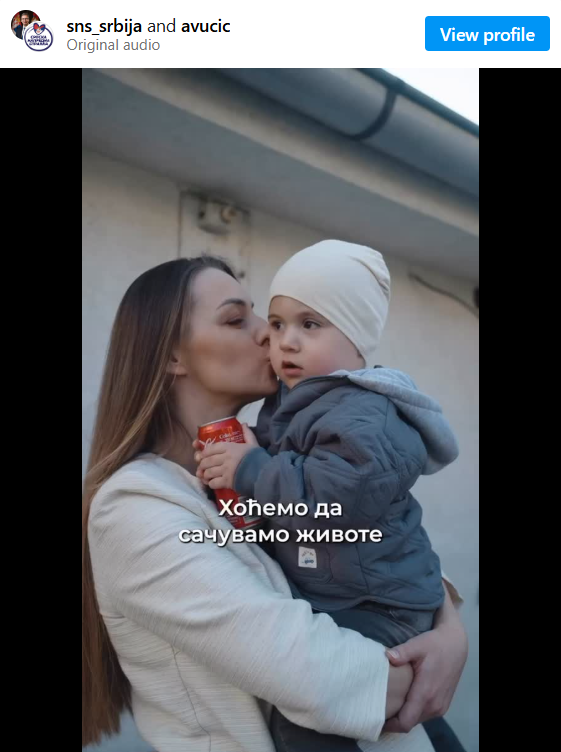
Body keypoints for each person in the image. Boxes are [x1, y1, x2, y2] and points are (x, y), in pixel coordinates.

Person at [82, 255, 468, 752]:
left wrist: (447, 628)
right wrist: (434, 655)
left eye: (263, 315)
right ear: (172, 356)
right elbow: (318, 676)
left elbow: (365, 535)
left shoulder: (266, 453)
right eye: (236, 319)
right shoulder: (133, 510)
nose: (270, 333)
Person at [194, 240, 463, 751]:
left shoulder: (364, 416)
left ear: (357, 338)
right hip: (347, 593)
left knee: (309, 720)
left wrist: (252, 468)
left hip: (380, 605)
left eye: (310, 324)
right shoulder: (293, 406)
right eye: (278, 324)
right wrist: (237, 482)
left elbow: (330, 508)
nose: (285, 342)